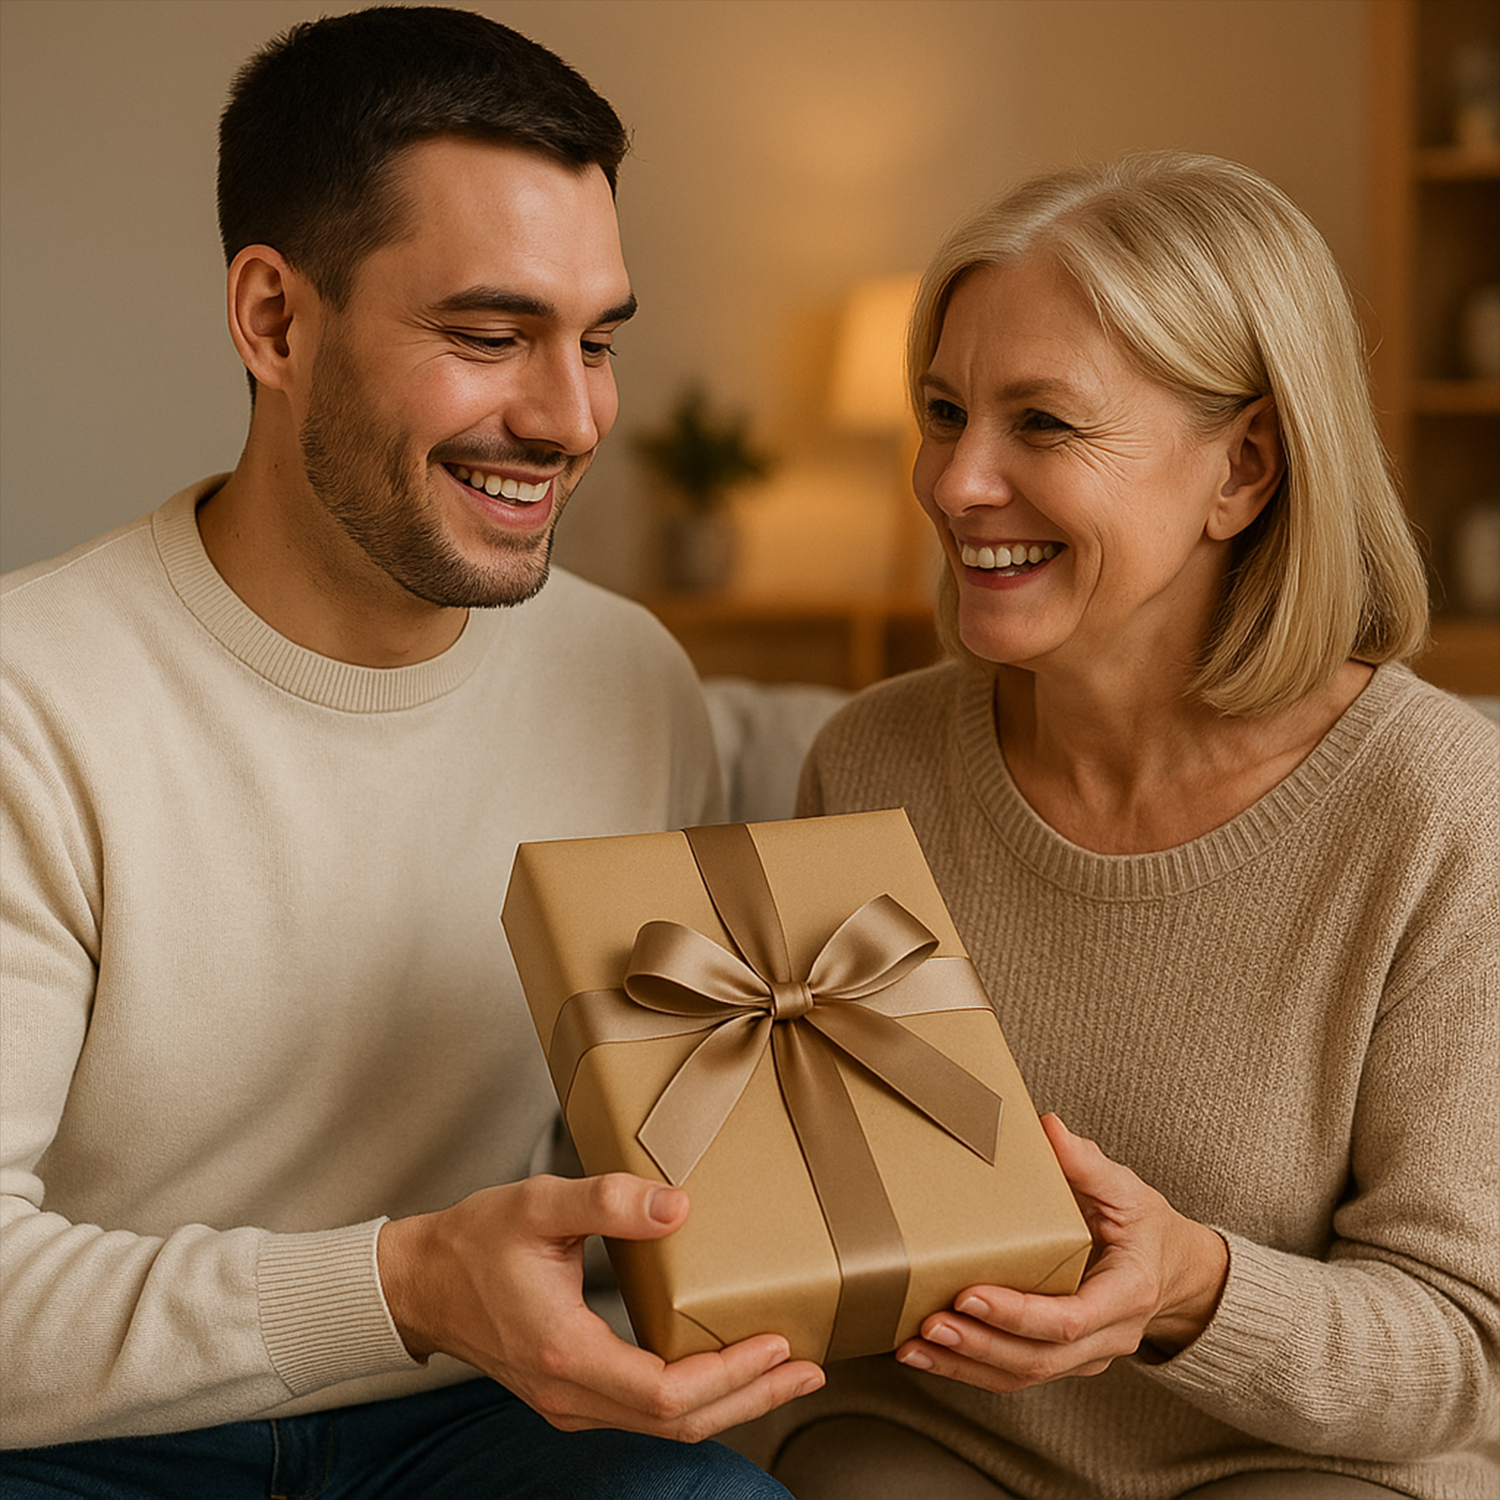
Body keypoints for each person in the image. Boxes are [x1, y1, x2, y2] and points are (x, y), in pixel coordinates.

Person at [0, 8, 821, 1496]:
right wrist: (400, 1282)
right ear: (273, 322)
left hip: (475, 1413)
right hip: (83, 1439)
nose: (569, 420)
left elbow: (674, 1147)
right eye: (491, 337)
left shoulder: (629, 677)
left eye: (600, 343)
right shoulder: (31, 698)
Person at [762, 151, 1499, 1498]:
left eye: (1042, 425)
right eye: (943, 411)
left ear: (1245, 470)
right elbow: (824, 1238)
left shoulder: (1441, 811)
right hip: (931, 1447)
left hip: (1301, 1469)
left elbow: (1465, 1352)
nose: (955, 482)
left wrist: (1191, 1289)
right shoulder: (871, 763)